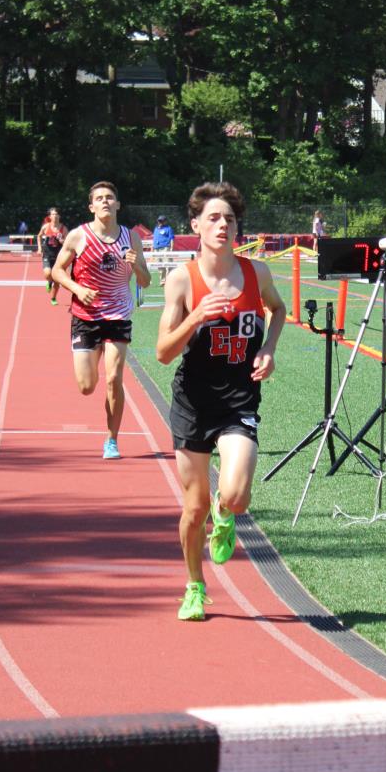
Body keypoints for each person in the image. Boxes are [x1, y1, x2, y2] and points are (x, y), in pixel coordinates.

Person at [156, 182, 286, 622]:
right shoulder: (182, 279)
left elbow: (278, 310)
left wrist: (268, 349)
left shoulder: (256, 273)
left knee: (236, 496)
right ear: (195, 225)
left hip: (238, 401)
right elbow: (163, 352)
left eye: (229, 218)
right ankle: (195, 586)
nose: (222, 225)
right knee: (193, 510)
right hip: (193, 404)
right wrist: (196, 315)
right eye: (213, 218)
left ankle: (225, 512)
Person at [51, 182, 150, 460]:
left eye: (110, 197)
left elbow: (145, 281)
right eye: (99, 198)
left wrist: (136, 265)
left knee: (114, 378)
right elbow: (57, 271)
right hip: (86, 316)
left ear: (118, 204)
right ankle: (92, 371)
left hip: (118, 314)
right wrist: (77, 288)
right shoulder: (78, 236)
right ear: (91, 206)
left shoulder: (131, 237)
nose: (105, 201)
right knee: (87, 386)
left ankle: (112, 440)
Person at [36, 207, 68, 305]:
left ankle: (53, 298)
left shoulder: (63, 229)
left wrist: (62, 241)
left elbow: (68, 243)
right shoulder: (46, 227)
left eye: (56, 214)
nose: (55, 216)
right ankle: (49, 282)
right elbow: (39, 236)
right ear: (50, 216)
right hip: (47, 254)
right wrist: (39, 248)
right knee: (47, 273)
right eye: (53, 214)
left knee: (57, 280)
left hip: (59, 256)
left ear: (59, 216)